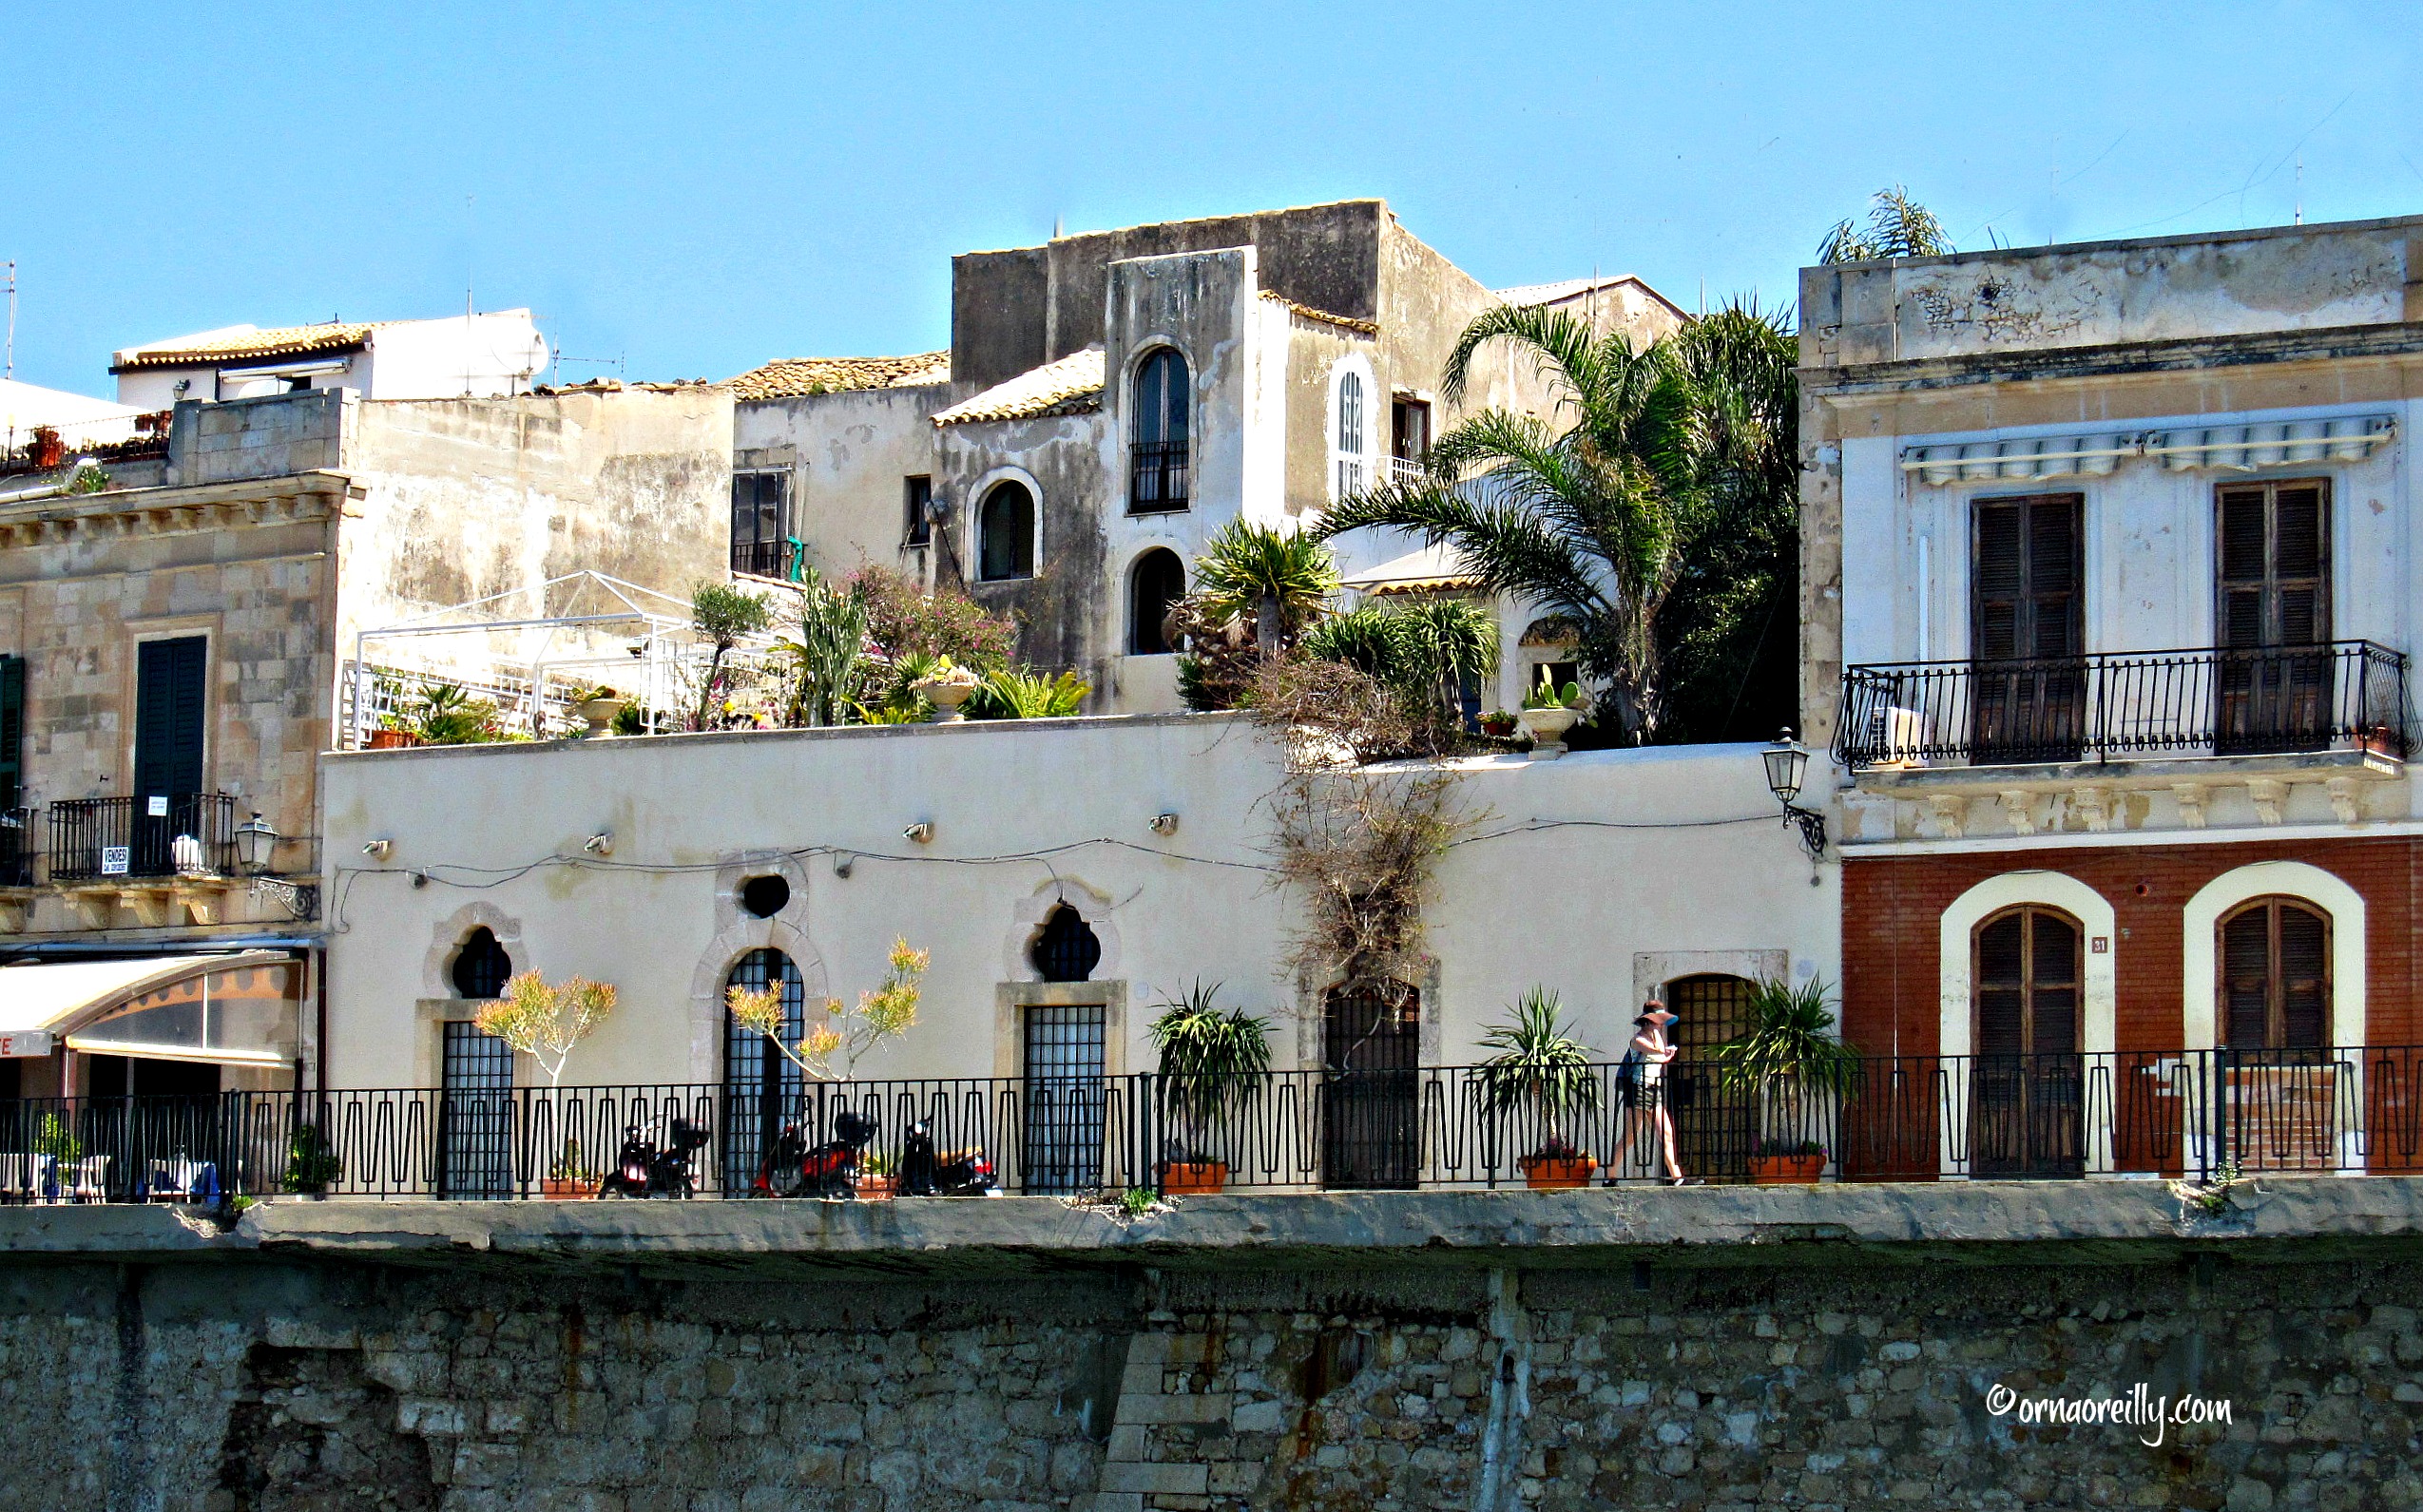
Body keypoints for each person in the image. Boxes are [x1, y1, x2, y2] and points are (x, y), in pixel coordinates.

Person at [1606, 1000, 1688, 1185]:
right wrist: (1657, 1036)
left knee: (1666, 1134)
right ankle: (1610, 1175)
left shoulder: (1654, 1038)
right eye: (1658, 1020)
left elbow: (1658, 1057)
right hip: (1638, 1089)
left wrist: (1667, 1055)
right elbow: (1656, 1050)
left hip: (1653, 1089)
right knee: (1630, 1137)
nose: (1661, 1024)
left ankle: (1677, 1177)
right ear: (1649, 1020)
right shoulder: (1638, 1040)